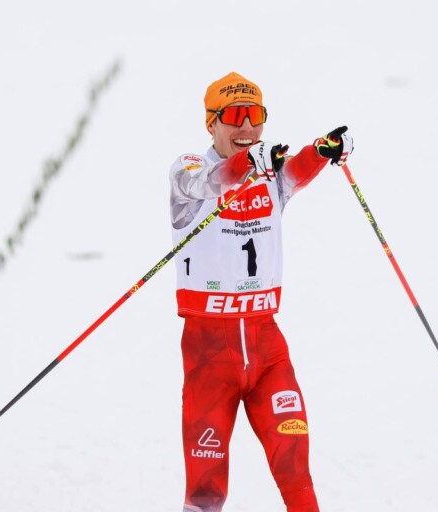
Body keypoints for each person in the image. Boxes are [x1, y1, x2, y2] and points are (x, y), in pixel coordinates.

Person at [169, 71, 353, 512]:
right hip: (210, 355)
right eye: (234, 116)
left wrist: (324, 150)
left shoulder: (271, 173)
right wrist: (248, 165)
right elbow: (212, 183)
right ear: (210, 123)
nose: (247, 127)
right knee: (205, 492)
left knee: (296, 474)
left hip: (268, 351)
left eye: (255, 115)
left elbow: (298, 168)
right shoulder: (188, 169)